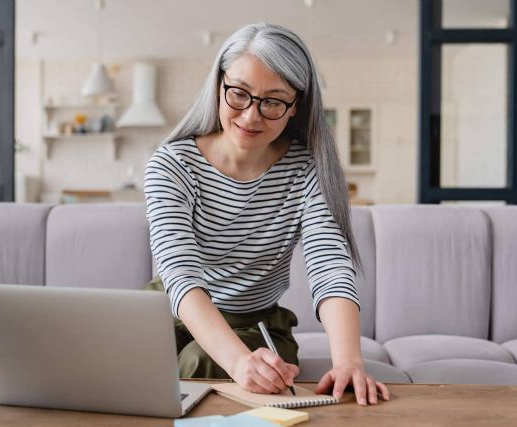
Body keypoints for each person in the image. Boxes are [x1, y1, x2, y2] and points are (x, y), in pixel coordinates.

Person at [144, 22, 390, 406]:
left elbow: (329, 265)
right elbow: (179, 272)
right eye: (238, 93)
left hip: (252, 319)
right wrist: (239, 363)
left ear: (296, 105)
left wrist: (349, 361)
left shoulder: (308, 169)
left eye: (273, 101)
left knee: (199, 361)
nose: (251, 116)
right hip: (171, 307)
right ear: (218, 84)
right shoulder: (172, 165)